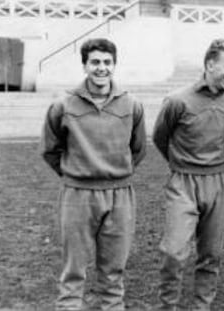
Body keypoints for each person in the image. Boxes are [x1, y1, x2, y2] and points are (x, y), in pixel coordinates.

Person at [40, 38, 146, 311]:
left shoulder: (131, 104)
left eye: (107, 62)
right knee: (73, 271)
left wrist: (114, 173)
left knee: (113, 273)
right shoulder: (63, 104)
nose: (102, 68)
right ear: (85, 65)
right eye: (95, 62)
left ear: (115, 64)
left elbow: (138, 149)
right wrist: (77, 173)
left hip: (119, 196)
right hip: (77, 195)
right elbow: (51, 150)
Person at [152, 38, 224, 311]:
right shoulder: (178, 100)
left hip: (218, 182)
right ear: (210, 64)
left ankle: (202, 306)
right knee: (173, 252)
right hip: (183, 181)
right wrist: (181, 164)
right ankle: (168, 306)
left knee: (211, 254)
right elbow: (160, 137)